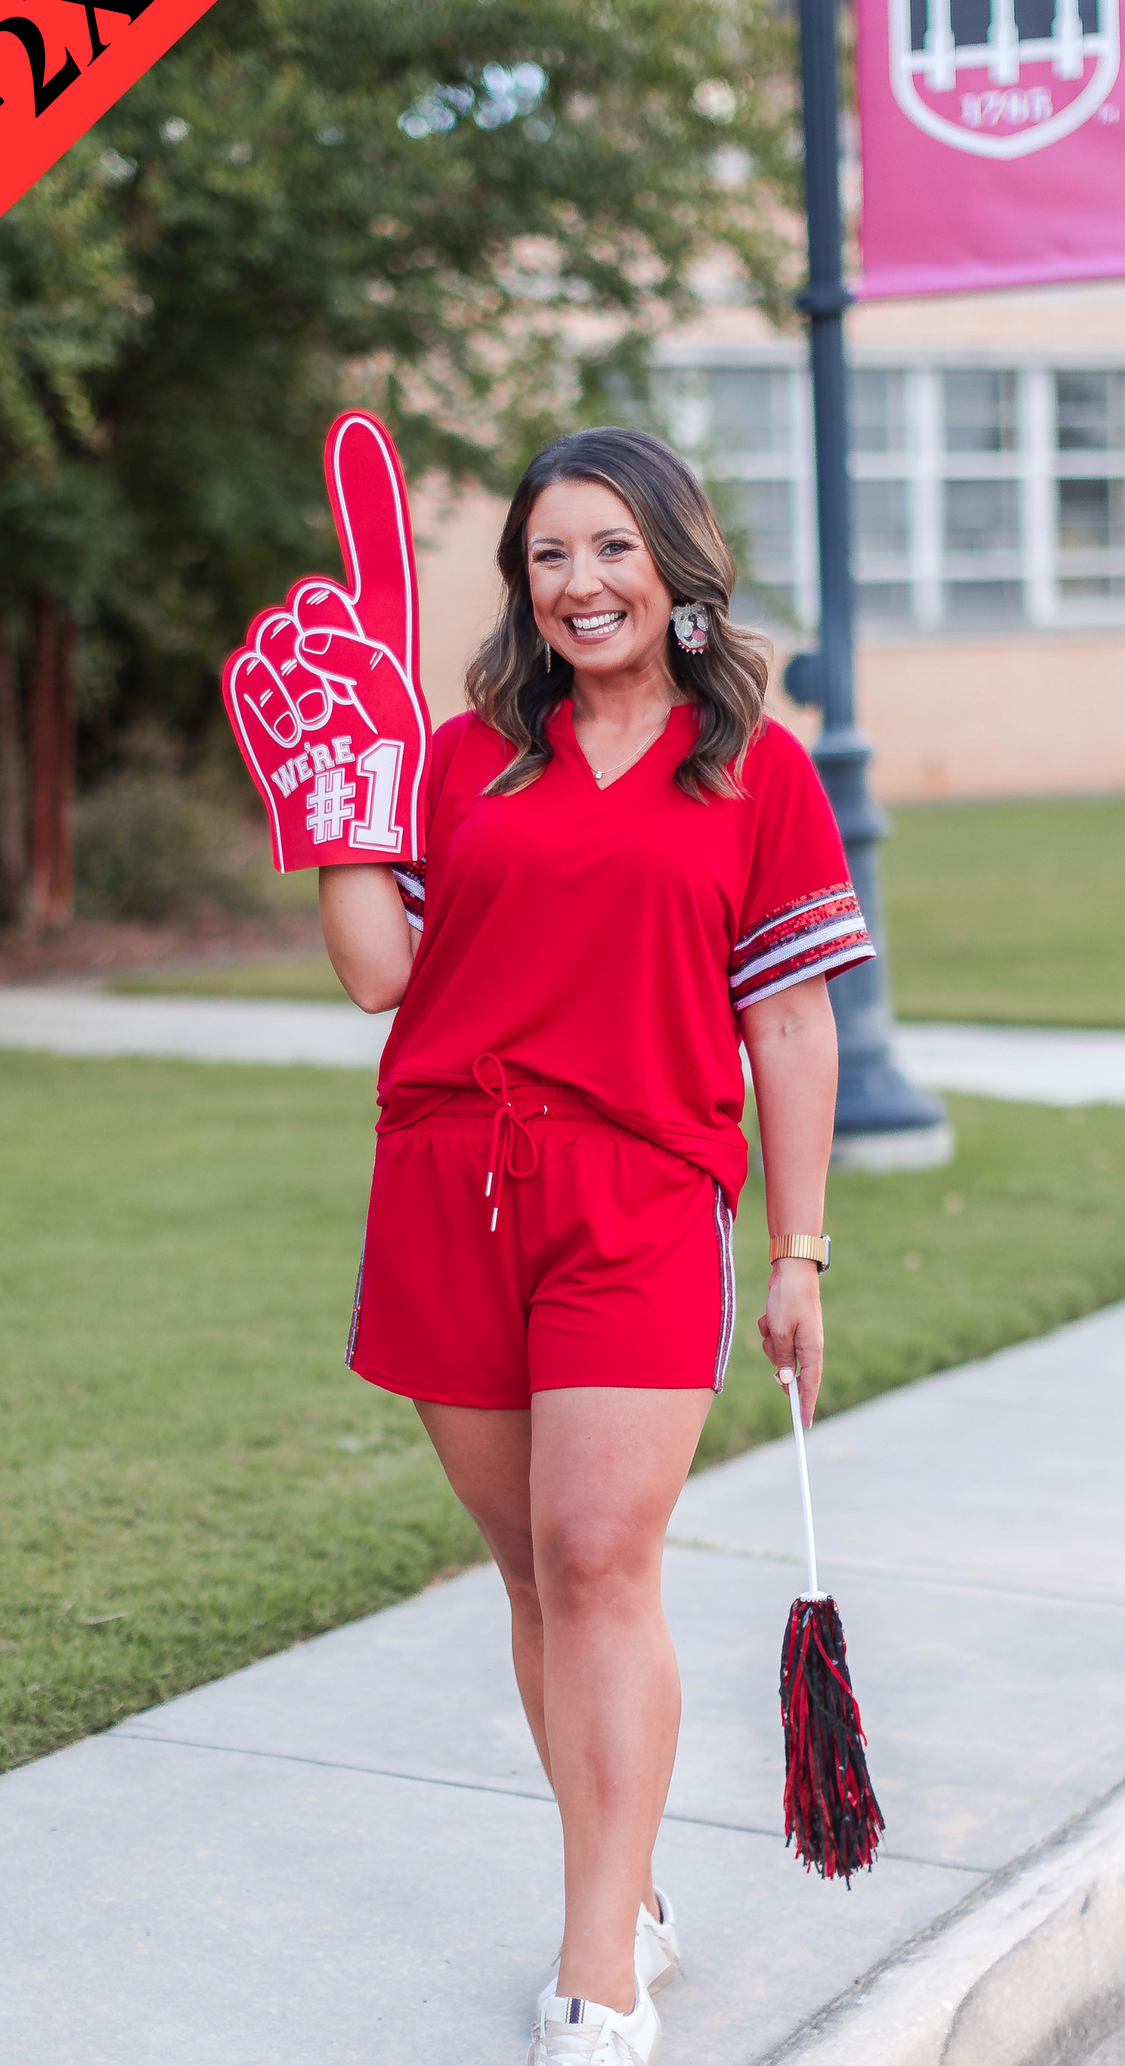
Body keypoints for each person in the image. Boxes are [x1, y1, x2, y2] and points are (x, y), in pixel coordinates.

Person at [318, 428, 874, 2066]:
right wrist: (334, 800)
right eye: (549, 556)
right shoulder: (457, 757)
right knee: (528, 1575)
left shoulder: (749, 770)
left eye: (612, 550)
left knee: (598, 1559)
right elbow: (372, 974)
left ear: (676, 569)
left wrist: (800, 1250)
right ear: (522, 587)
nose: (581, 584)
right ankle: (620, 1883)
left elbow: (788, 1017)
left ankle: (597, 1973)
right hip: (447, 1186)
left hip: (640, 1194)